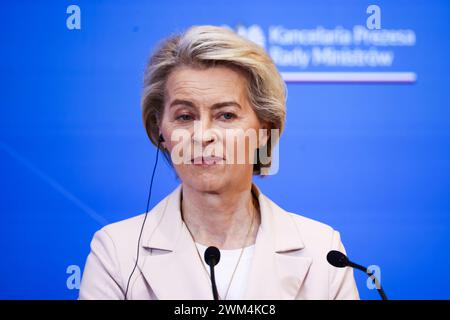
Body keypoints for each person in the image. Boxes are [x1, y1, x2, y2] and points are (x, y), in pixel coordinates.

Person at [79, 25, 359, 300]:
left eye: (225, 115)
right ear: (160, 131)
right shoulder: (117, 252)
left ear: (265, 130)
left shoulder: (323, 250)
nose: (202, 136)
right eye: (185, 117)